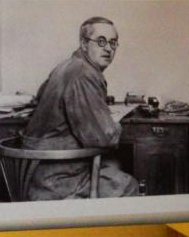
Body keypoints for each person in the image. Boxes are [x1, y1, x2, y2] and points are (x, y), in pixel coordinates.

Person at [22, 17, 138, 200]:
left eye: (113, 42)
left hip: (37, 175)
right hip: (57, 182)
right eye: (101, 41)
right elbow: (103, 138)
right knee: (129, 185)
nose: (108, 48)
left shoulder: (66, 66)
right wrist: (114, 124)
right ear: (84, 44)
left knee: (114, 170)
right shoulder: (83, 74)